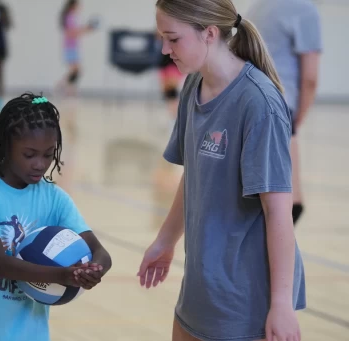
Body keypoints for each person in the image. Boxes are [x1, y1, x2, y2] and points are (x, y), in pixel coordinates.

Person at [137, 1, 306, 341]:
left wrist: (281, 304)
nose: (164, 49)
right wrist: (165, 240)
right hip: (202, 285)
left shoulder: (259, 104)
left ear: (209, 34)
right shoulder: (192, 87)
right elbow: (195, 176)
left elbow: (278, 213)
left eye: (173, 38)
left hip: (246, 297)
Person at [0, 92, 112, 341]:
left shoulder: (54, 198)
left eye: (48, 154)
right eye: (29, 154)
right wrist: (62, 275)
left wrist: (92, 270)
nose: (40, 164)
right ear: (6, 145)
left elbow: (100, 252)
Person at [247, 0, 322, 225]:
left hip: (252, 99)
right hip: (279, 102)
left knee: (265, 200)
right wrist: (298, 118)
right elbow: (310, 78)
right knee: (287, 202)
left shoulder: (260, 5)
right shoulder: (304, 10)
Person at [56, 0, 98, 98]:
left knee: (76, 71)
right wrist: (86, 29)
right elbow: (72, 32)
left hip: (73, 47)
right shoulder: (70, 17)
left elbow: (76, 31)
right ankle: (62, 87)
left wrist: (87, 29)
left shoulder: (72, 17)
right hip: (70, 47)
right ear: (73, 6)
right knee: (76, 70)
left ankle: (67, 89)